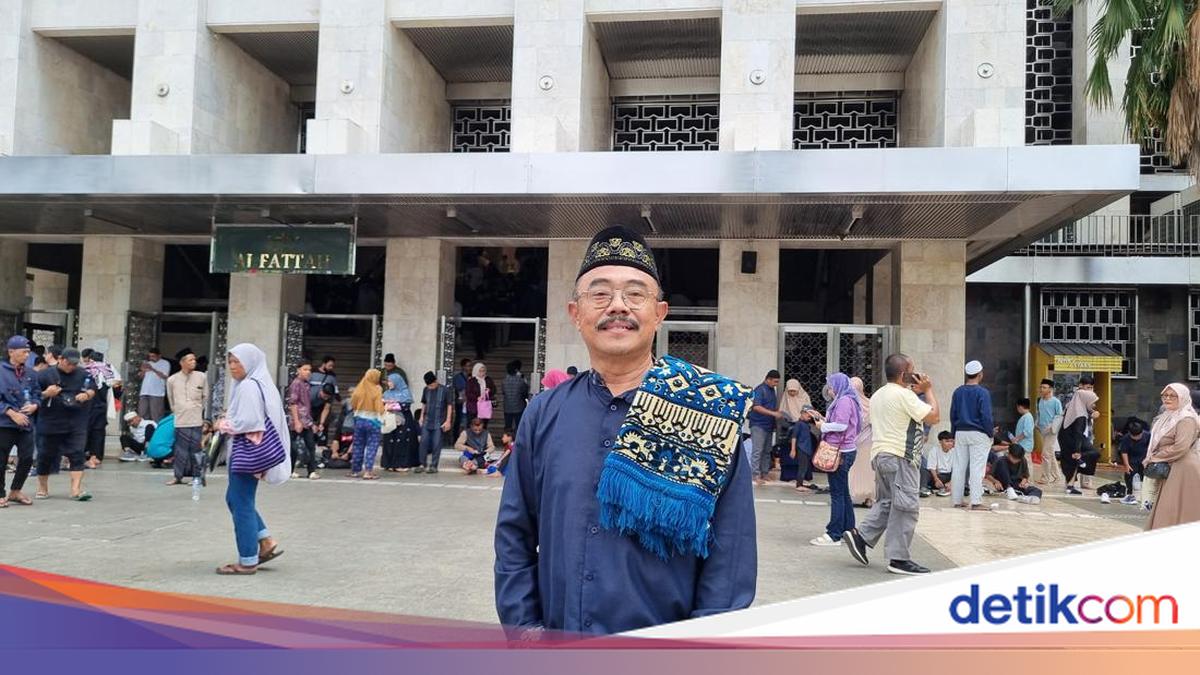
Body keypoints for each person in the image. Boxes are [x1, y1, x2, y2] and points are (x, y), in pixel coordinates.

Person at [495, 225, 756, 636]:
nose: (618, 306)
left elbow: (731, 560)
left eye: (635, 294)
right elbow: (514, 539)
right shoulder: (544, 414)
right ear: (575, 313)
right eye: (599, 294)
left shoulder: (710, 415)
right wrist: (525, 632)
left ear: (659, 313)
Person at [843, 353, 940, 576]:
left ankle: (861, 537)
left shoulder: (879, 394)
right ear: (904, 373)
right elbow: (934, 417)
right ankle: (899, 558)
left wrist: (915, 393)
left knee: (888, 502)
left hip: (881, 455)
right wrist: (928, 390)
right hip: (900, 457)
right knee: (906, 508)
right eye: (912, 369)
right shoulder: (904, 396)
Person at [214, 344, 286, 575]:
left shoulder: (247, 387)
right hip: (252, 453)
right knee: (235, 499)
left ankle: (247, 560)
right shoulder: (260, 383)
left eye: (238, 362)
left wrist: (223, 424)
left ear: (250, 362)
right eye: (231, 362)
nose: (233, 367)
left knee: (241, 502)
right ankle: (265, 540)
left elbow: (250, 422)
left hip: (247, 453)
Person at [35, 348, 97, 501]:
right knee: (45, 455)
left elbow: (93, 388)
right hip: (51, 420)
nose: (71, 367)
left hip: (76, 421)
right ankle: (43, 487)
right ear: (61, 359)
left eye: (74, 364)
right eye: (69, 363)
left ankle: (76, 489)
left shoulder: (83, 374)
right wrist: (46, 394)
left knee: (77, 453)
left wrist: (87, 394)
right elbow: (33, 394)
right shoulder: (45, 375)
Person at [810, 373, 861, 546]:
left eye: (831, 386)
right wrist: (823, 419)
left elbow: (841, 426)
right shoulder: (846, 400)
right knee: (843, 492)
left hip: (840, 452)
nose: (829, 390)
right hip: (845, 450)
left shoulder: (844, 401)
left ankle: (834, 534)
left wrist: (822, 426)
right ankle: (849, 529)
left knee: (837, 494)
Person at [1145, 384, 1200, 530]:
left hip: (1183, 468)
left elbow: (1181, 447)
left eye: (1172, 396)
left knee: (1175, 508)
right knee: (1168, 507)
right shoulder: (1168, 417)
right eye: (1165, 395)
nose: (1167, 399)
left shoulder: (1186, 419)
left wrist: (1156, 457)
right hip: (1171, 466)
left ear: (1182, 398)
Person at [949, 360, 994, 511]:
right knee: (977, 468)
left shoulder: (958, 391)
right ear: (980, 374)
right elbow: (986, 416)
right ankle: (975, 501)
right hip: (978, 433)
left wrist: (953, 434)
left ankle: (957, 500)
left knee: (959, 467)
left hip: (960, 432)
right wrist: (990, 433)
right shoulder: (983, 393)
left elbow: (953, 415)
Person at [1, 335, 40, 508]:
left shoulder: (30, 373)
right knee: (1, 459)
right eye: (23, 352)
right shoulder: (1, 370)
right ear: (11, 352)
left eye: (28, 352)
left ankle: (16, 490)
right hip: (5, 423)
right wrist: (10, 412)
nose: (26, 355)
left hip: (26, 423)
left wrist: (34, 405)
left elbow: (37, 393)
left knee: (26, 457)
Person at [165, 351, 209, 487]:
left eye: (194, 360)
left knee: (196, 450)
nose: (193, 362)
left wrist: (201, 413)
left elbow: (205, 396)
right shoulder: (172, 380)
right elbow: (171, 400)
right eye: (190, 360)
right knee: (179, 450)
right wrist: (178, 410)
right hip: (180, 420)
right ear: (182, 363)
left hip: (196, 420)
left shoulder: (201, 377)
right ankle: (177, 476)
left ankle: (198, 477)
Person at [81, 349, 119, 469]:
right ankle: (96, 456)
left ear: (90, 359)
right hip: (101, 406)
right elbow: (117, 386)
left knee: (85, 430)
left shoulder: (86, 370)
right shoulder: (109, 371)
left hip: (86, 406)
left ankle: (84, 454)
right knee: (99, 432)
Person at [1059, 388, 1101, 495]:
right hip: (1073, 440)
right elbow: (1078, 432)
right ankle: (1080, 465)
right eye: (1092, 403)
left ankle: (1070, 485)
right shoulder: (1080, 416)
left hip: (1064, 438)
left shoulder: (1072, 407)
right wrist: (1077, 450)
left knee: (1071, 462)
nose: (1094, 405)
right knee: (1091, 454)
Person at [286, 361, 320, 480]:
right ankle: (289, 470)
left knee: (311, 446)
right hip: (298, 420)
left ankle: (311, 471)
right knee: (293, 447)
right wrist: (296, 421)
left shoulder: (306, 384)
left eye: (309, 370)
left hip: (307, 420)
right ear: (298, 370)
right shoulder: (296, 384)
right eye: (305, 369)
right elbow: (293, 403)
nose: (308, 372)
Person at [349, 369, 386, 480]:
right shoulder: (377, 389)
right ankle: (368, 472)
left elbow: (353, 403)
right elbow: (379, 407)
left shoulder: (358, 389)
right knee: (372, 446)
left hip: (359, 420)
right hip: (373, 421)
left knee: (358, 445)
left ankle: (355, 471)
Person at [748, 369, 783, 485]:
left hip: (768, 425)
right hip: (758, 424)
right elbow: (756, 407)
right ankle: (755, 475)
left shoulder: (772, 390)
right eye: (775, 382)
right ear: (768, 379)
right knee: (758, 451)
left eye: (777, 382)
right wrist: (773, 414)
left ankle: (765, 473)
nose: (776, 384)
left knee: (767, 451)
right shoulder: (760, 390)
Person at [417, 371, 454, 474]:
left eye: (432, 384)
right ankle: (422, 464)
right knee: (423, 442)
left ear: (436, 381)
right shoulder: (426, 390)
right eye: (428, 385)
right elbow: (424, 404)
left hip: (439, 422)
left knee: (436, 444)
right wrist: (421, 417)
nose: (430, 387)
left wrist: (448, 420)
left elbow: (449, 405)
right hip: (427, 420)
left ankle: (434, 466)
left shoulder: (445, 390)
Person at [847, 376, 876, 506]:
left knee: (857, 470)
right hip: (866, 442)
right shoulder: (870, 404)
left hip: (856, 443)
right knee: (865, 471)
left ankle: (857, 496)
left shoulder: (848, 404)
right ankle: (866, 497)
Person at [381, 369, 417, 472]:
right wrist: (390, 404)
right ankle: (389, 464)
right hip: (389, 420)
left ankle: (401, 464)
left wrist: (390, 404)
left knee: (402, 442)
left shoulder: (405, 393)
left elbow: (405, 406)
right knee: (389, 440)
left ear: (397, 381)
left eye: (391, 381)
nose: (389, 384)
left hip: (403, 421)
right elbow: (382, 405)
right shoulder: (386, 393)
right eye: (388, 381)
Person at [1035, 379, 1064, 485]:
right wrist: (1036, 423)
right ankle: (1057, 476)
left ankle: (1045, 477)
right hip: (1042, 430)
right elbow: (1039, 413)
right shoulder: (1040, 400)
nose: (1041, 389)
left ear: (1050, 389)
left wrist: (1051, 426)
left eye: (1044, 387)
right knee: (1050, 453)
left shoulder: (1056, 401)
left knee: (1045, 454)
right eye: (1041, 387)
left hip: (1051, 431)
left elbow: (1059, 416)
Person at [1117, 418, 1149, 506]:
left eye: (1138, 436)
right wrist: (1126, 465)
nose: (1137, 438)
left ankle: (1145, 495)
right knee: (1130, 473)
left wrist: (1148, 459)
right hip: (1132, 459)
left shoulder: (1148, 436)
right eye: (1134, 436)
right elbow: (1124, 452)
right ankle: (1130, 494)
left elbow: (1151, 448)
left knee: (1144, 477)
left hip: (1144, 458)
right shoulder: (1126, 438)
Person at [137, 347, 171, 422]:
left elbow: (165, 376)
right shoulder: (148, 363)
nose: (151, 358)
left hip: (157, 393)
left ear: (159, 356)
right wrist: (143, 370)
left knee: (156, 415)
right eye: (150, 356)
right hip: (145, 391)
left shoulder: (165, 363)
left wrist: (153, 369)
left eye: (153, 356)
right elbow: (141, 377)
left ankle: (156, 431)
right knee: (142, 413)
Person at [465, 362, 495, 432]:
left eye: (484, 371)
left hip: (484, 407)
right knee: (472, 425)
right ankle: (470, 441)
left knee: (483, 425)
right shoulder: (471, 381)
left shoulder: (488, 379)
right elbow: (468, 393)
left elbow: (494, 389)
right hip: (473, 407)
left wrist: (489, 390)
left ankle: (482, 440)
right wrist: (476, 398)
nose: (482, 373)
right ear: (476, 371)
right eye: (480, 371)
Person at [501, 360, 530, 432]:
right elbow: (525, 392)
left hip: (507, 407)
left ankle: (507, 440)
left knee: (508, 426)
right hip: (519, 406)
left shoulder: (504, 381)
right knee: (519, 426)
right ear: (516, 370)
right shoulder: (520, 380)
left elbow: (503, 392)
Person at [926, 431, 954, 497]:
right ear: (940, 442)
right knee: (925, 472)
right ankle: (924, 488)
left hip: (950, 476)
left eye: (951, 441)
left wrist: (951, 482)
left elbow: (957, 470)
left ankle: (948, 487)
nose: (950, 443)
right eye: (947, 441)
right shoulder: (934, 450)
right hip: (937, 476)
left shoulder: (955, 451)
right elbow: (931, 467)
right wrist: (936, 480)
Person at [451, 357, 471, 444]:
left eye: (470, 366)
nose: (469, 368)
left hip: (469, 402)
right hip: (460, 402)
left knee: (468, 421)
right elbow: (458, 389)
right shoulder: (458, 377)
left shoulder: (471, 377)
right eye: (468, 366)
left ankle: (466, 439)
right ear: (463, 366)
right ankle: (456, 438)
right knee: (459, 420)